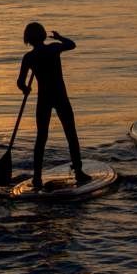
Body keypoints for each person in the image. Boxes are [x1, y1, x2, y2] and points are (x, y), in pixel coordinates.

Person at [17, 22, 91, 189]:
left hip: (44, 98)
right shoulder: (53, 48)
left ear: (28, 39)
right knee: (71, 133)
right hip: (60, 96)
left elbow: (20, 82)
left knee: (41, 137)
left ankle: (37, 177)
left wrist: (25, 89)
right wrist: (59, 37)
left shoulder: (29, 57)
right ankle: (78, 171)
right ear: (43, 35)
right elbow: (71, 45)